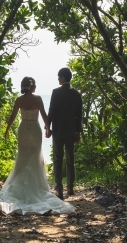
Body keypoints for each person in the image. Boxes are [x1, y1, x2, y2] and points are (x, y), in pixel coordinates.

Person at [0, 77, 75, 215]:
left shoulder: (19, 100)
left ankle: (19, 187)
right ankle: (35, 186)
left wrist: (7, 130)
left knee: (23, 155)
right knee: (35, 155)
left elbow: (12, 117)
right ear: (32, 86)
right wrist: (48, 128)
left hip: (23, 129)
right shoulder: (38, 99)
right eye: (35, 84)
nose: (36, 86)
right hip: (35, 129)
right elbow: (44, 115)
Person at [45, 67, 83, 199]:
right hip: (71, 130)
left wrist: (47, 127)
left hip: (58, 130)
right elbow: (79, 115)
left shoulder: (56, 92)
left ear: (62, 78)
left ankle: (59, 188)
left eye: (58, 77)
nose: (57, 79)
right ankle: (70, 187)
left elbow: (52, 111)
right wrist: (78, 132)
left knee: (57, 159)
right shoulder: (77, 94)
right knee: (70, 159)